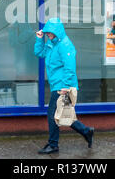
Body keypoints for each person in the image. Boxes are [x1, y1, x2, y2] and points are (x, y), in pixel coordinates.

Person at [34, 18, 94, 154]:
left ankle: (53, 145)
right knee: (62, 114)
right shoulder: (51, 43)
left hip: (63, 86)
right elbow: (39, 53)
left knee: (53, 115)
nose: (48, 34)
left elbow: (70, 68)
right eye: (47, 32)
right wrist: (39, 39)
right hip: (58, 84)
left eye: (50, 32)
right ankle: (86, 131)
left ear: (56, 32)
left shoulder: (65, 45)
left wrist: (65, 87)